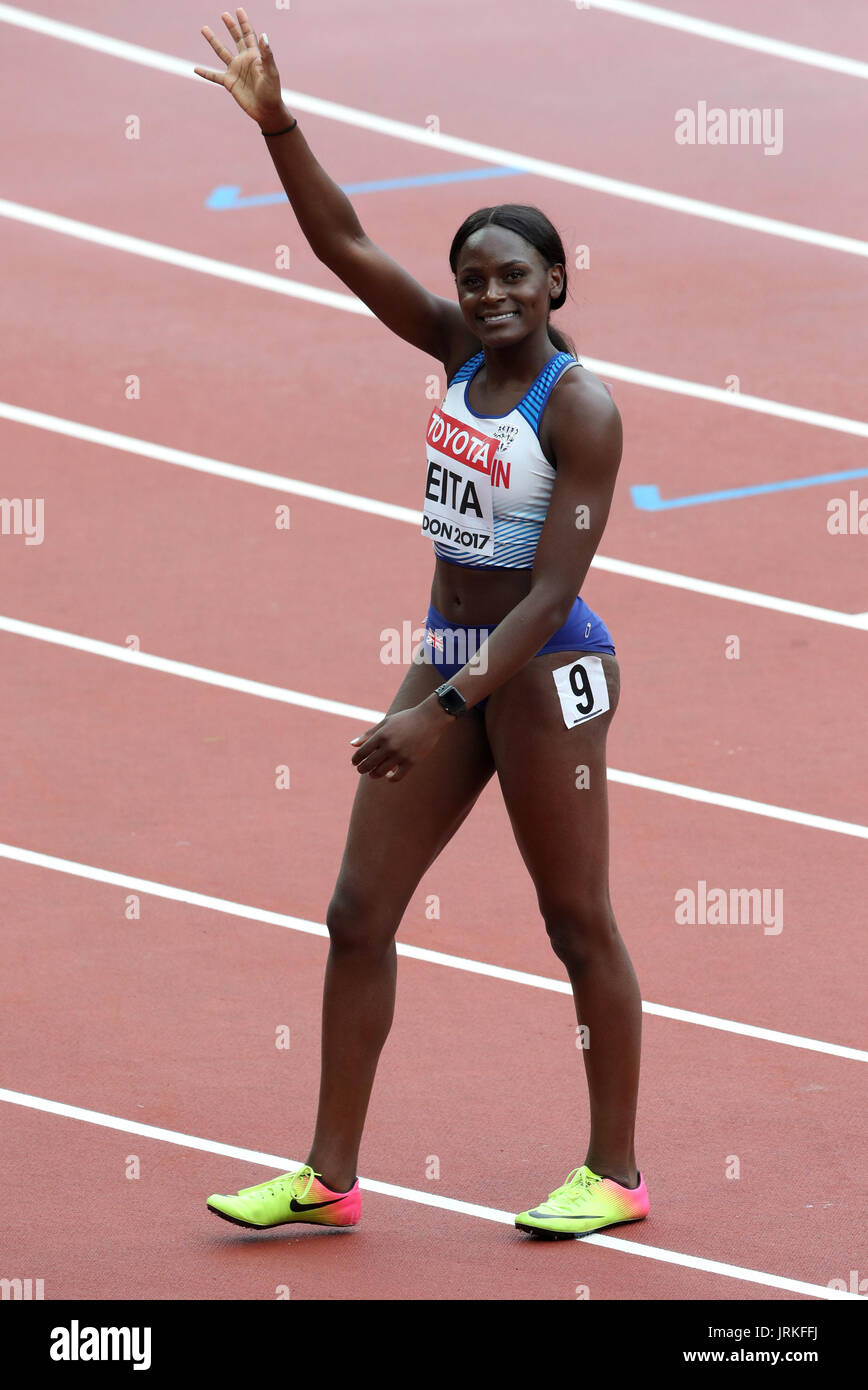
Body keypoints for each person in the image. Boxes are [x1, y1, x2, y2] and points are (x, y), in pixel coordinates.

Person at [197, 8, 649, 1240]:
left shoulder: (581, 411)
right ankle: (330, 1174)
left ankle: (613, 1169)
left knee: (575, 923)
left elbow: (551, 597)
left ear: (557, 284)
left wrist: (435, 710)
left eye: (514, 275)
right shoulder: (453, 351)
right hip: (451, 656)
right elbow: (344, 244)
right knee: (357, 911)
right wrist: (278, 122)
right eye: (474, 276)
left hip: (547, 673)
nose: (490, 292)